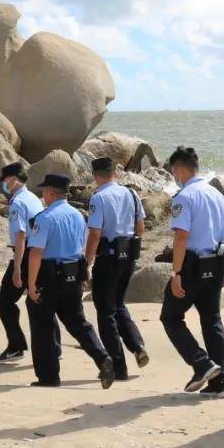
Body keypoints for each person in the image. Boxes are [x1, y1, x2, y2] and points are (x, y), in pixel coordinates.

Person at [25, 173, 115, 389]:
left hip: (49, 277)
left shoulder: (45, 218)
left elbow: (36, 253)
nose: (43, 195)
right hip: (73, 275)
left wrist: (30, 285)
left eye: (44, 191)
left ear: (50, 193)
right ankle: (102, 357)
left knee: (42, 326)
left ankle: (48, 377)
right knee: (78, 323)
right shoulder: (77, 215)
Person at [161, 146, 224, 395]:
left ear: (180, 169)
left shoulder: (184, 196)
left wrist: (176, 273)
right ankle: (221, 380)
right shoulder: (216, 194)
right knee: (211, 318)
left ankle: (201, 363)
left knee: (170, 316)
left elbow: (181, 236)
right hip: (217, 259)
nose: (174, 175)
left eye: (173, 171)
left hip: (192, 264)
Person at [83, 157, 149, 380]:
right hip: (128, 256)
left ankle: (119, 367)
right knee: (118, 304)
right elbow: (140, 227)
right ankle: (137, 345)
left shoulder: (99, 198)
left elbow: (94, 233)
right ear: (114, 172)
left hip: (108, 258)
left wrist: (86, 262)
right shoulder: (131, 194)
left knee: (106, 312)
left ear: (95, 175)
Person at [0, 162, 49, 361]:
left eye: (7, 180)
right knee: (41, 301)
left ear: (14, 179)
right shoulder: (33, 197)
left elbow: (20, 236)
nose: (5, 184)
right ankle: (55, 349)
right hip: (40, 254)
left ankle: (16, 345)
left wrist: (17, 268)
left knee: (5, 301)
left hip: (25, 254)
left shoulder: (17, 203)